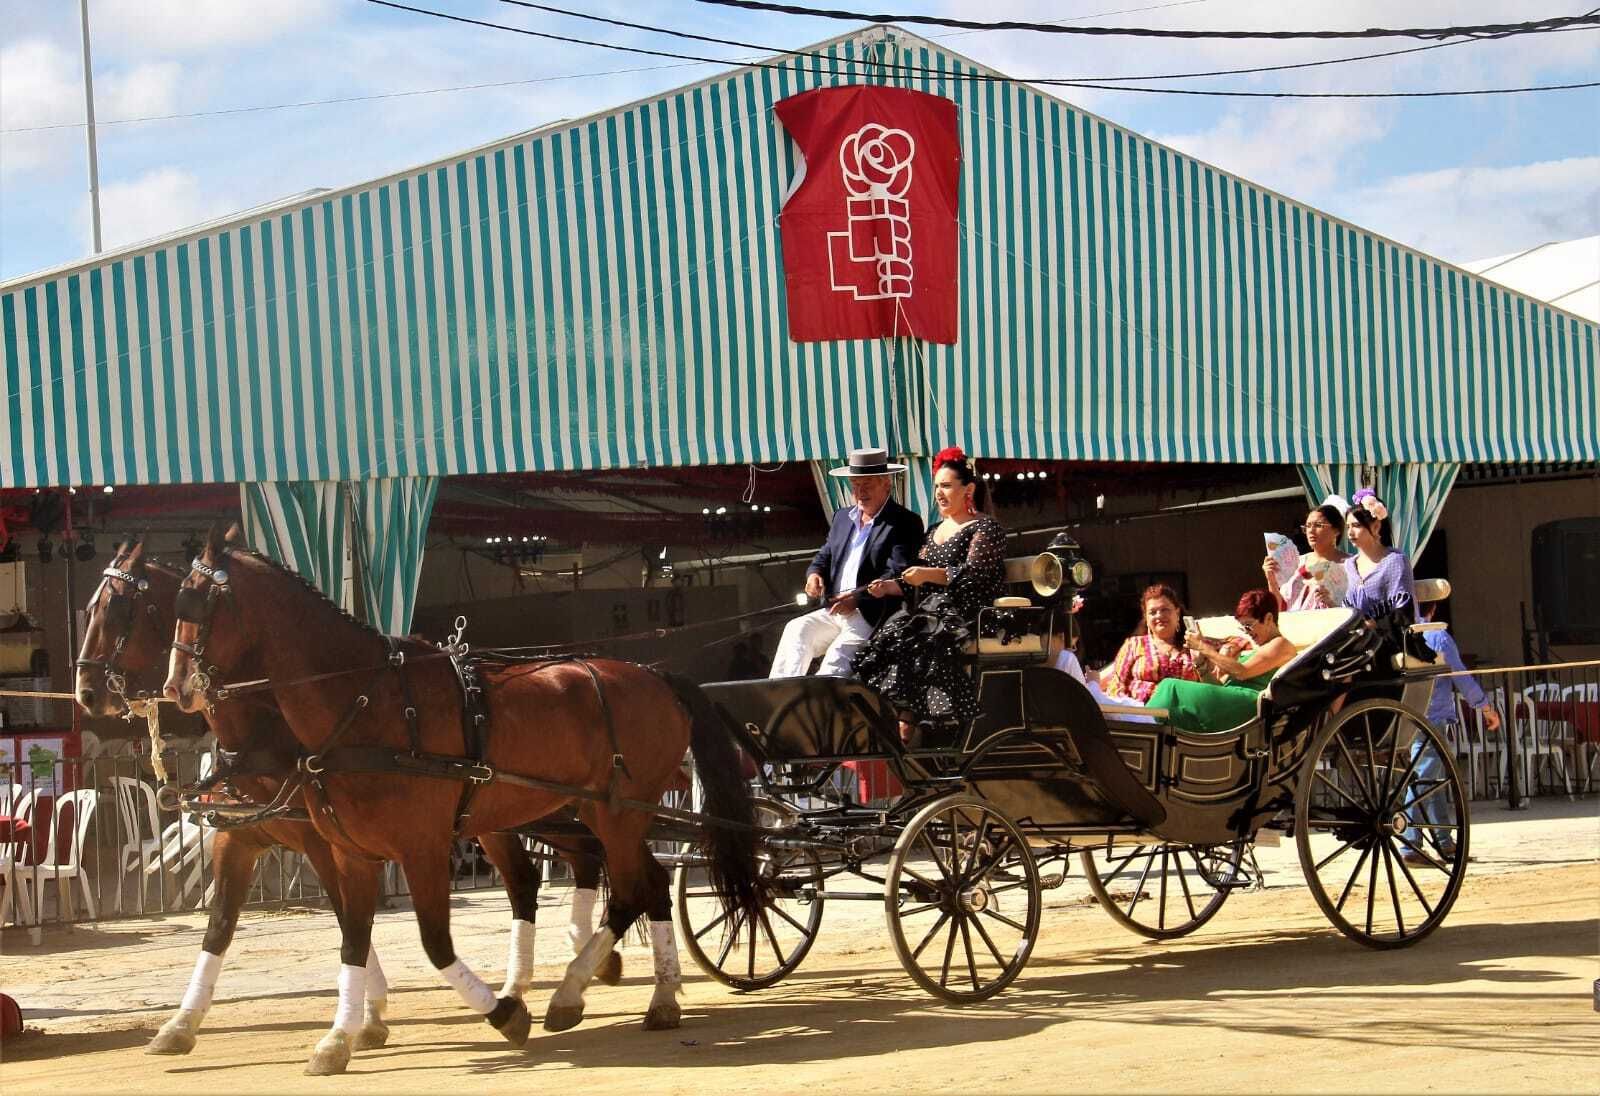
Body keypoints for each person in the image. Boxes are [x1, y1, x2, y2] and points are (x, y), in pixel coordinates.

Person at [853, 447, 1006, 744]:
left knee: (923, 638)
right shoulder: (934, 530)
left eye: (946, 486)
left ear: (969, 489)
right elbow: (914, 579)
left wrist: (927, 576)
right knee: (888, 638)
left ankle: (918, 722)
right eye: (936, 486)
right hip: (932, 610)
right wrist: (888, 587)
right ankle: (897, 717)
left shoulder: (986, 528)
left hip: (970, 611)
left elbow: (973, 575)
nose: (939, 493)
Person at [769, 448, 925, 678]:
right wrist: (814, 574)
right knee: (796, 630)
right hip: (834, 609)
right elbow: (825, 554)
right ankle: (784, 698)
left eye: (867, 485)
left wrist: (858, 598)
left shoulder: (904, 522)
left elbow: (897, 572)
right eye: (855, 486)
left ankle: (823, 707)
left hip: (871, 614)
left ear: (886, 484)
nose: (860, 492)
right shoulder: (842, 517)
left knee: (836, 659)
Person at [1401, 591, 1500, 863]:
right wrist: (1486, 708)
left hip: (1401, 718)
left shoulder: (1398, 635)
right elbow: (1462, 679)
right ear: (1432, 608)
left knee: (1429, 778)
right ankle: (1410, 842)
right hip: (1431, 717)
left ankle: (1445, 842)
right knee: (1423, 778)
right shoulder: (1436, 636)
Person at [1147, 589, 1300, 732]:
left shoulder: (1281, 644)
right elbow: (1217, 687)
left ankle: (1138, 726)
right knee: (1176, 713)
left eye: (1248, 626)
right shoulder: (1255, 651)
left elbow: (1242, 671)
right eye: (1243, 628)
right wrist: (1200, 664)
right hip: (1233, 702)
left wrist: (1202, 646)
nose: (1247, 633)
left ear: (1268, 618)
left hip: (1253, 708)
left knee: (1171, 687)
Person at [1098, 584, 1201, 704]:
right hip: (1143, 717)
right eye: (1152, 612)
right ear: (1146, 618)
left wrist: (1200, 652)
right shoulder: (1134, 645)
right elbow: (1115, 686)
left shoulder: (1193, 646)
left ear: (1177, 613)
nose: (1159, 615)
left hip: (1185, 715)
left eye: (1165, 610)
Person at [1341, 488, 1418, 621]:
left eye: (1356, 525)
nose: (1350, 532)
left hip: (1388, 636)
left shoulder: (1395, 561)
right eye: (1348, 527)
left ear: (1376, 526)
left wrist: (1376, 624)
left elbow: (1402, 608)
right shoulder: (1349, 564)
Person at [1264, 503, 1351, 611]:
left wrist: (1330, 602)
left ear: (1336, 530)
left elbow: (1353, 609)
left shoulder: (1349, 565)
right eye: (1308, 526)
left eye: (1318, 525)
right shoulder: (1296, 562)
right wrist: (1271, 580)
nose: (1311, 531)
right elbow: (1279, 608)